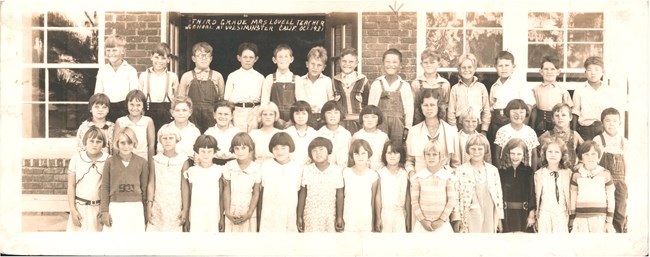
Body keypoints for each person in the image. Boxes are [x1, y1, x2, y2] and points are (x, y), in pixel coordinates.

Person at [451, 134, 503, 233]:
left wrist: (499, 217)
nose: (476, 152)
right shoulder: (461, 170)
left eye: (480, 149)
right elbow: (455, 196)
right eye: (473, 149)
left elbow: (498, 195)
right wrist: (456, 218)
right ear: (468, 150)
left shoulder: (493, 170)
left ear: (485, 150)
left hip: (489, 211)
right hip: (469, 212)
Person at [488, 51, 536, 158]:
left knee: (514, 148)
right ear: (496, 67)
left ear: (513, 67)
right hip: (497, 121)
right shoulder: (494, 86)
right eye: (500, 66)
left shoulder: (519, 83)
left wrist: (522, 123)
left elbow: (529, 104)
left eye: (507, 65)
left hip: (513, 120)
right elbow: (492, 105)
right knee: (499, 150)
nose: (503, 68)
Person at [100, 127, 149, 232]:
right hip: (115, 207)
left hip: (135, 207)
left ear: (134, 143)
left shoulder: (142, 162)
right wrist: (104, 211)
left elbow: (144, 188)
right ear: (117, 144)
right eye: (122, 143)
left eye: (130, 142)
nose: (126, 146)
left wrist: (145, 211)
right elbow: (105, 187)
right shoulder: (110, 162)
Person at [368, 48, 414, 147]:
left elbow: (409, 110)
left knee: (396, 150)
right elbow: (371, 108)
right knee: (380, 148)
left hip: (398, 126)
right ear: (383, 64)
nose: (391, 65)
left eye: (395, 62)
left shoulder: (405, 86)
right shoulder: (376, 84)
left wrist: (407, 127)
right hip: (380, 125)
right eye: (387, 62)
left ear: (400, 65)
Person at [297, 137, 344, 232]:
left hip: (330, 215)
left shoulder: (336, 170)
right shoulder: (307, 170)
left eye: (321, 149)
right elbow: (303, 194)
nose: (318, 153)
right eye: (314, 150)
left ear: (329, 151)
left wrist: (339, 216)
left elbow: (339, 195)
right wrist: (299, 216)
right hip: (310, 215)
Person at [145, 124, 187, 232]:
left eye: (171, 138)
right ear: (160, 140)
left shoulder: (183, 160)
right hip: (158, 204)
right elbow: (151, 183)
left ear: (176, 139)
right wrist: (149, 205)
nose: (168, 141)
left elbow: (184, 186)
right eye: (164, 138)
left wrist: (185, 209)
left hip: (175, 205)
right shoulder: (155, 160)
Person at [572, 56, 625, 141]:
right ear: (585, 72)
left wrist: (618, 133)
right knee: (587, 152)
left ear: (603, 72)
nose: (593, 73)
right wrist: (574, 133)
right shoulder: (579, 90)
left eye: (597, 70)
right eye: (589, 70)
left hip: (604, 129)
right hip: (585, 130)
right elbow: (575, 112)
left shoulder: (609, 90)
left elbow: (615, 113)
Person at [66, 127, 109, 232]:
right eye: (91, 141)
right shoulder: (76, 159)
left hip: (99, 209)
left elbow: (109, 187)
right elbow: (71, 186)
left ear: (103, 144)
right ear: (85, 142)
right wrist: (73, 210)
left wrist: (104, 210)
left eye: (98, 141)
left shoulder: (108, 159)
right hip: (80, 208)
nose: (95, 144)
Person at [177, 42, 225, 134]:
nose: (204, 59)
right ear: (193, 58)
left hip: (211, 115)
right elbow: (181, 99)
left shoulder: (217, 76)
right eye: (200, 56)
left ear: (211, 59)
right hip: (192, 116)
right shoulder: (186, 76)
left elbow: (221, 99)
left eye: (206, 56)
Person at [258, 132, 302, 232]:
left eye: (283, 148)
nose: (279, 152)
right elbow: (263, 189)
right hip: (270, 211)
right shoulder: (266, 165)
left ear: (290, 148)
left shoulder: (296, 167)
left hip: (288, 210)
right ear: (271, 150)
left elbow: (297, 189)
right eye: (276, 148)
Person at [405, 89, 457, 176]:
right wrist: (412, 175)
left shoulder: (451, 131)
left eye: (432, 105)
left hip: (444, 181)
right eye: (425, 105)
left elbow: (456, 164)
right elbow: (409, 161)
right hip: (420, 180)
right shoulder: (413, 131)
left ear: (439, 106)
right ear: (420, 107)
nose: (429, 108)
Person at [181, 135, 225, 232]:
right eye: (203, 151)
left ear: (215, 153)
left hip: (213, 213)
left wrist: (221, 217)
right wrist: (188, 218)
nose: (206, 155)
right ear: (197, 152)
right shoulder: (192, 171)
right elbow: (189, 196)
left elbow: (221, 196)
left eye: (209, 151)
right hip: (196, 213)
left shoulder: (219, 170)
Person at [569, 141, 615, 233]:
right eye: (586, 154)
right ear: (581, 157)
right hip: (580, 218)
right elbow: (572, 199)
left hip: (600, 218)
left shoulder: (605, 173)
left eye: (593, 154)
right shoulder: (576, 175)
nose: (590, 157)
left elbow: (611, 198)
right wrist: (572, 219)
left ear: (598, 156)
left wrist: (609, 221)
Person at [410, 140, 456, 233]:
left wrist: (441, 220)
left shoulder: (447, 177)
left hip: (442, 226)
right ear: (424, 156)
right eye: (428, 154)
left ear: (441, 156)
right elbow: (414, 202)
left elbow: (451, 201)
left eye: (434, 154)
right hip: (422, 226)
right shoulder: (418, 178)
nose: (431, 157)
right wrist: (422, 221)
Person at [594, 107, 628, 233]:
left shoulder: (624, 141)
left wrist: (626, 182)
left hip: (620, 183)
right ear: (602, 123)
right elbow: (594, 162)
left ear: (620, 124)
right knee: (604, 210)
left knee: (620, 211)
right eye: (607, 120)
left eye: (614, 121)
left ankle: (619, 235)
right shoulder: (598, 140)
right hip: (602, 183)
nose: (611, 123)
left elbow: (628, 164)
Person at [222, 132, 261, 232]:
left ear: (250, 148)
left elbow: (256, 192)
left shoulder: (256, 168)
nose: (240, 151)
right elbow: (227, 190)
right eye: (237, 148)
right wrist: (227, 211)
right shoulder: (229, 166)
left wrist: (249, 212)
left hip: (248, 210)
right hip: (232, 209)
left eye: (244, 148)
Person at [94, 35, 138, 122]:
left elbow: (134, 95)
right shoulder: (102, 71)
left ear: (122, 51)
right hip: (107, 109)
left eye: (114, 50)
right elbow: (98, 94)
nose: (111, 53)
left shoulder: (130, 70)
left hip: (124, 109)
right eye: (108, 50)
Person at [139, 42, 179, 139]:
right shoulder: (144, 76)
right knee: (149, 138)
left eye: (163, 58)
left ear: (168, 60)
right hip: (148, 110)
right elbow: (140, 97)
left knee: (164, 137)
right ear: (151, 57)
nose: (159, 61)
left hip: (165, 112)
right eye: (157, 57)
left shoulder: (172, 76)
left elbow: (177, 98)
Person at [224, 42, 265, 132]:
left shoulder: (260, 77)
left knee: (252, 139)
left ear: (256, 59)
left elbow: (264, 100)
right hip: (237, 112)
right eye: (245, 57)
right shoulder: (232, 76)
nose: (248, 60)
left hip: (255, 112)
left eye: (251, 57)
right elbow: (226, 100)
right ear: (239, 58)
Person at [533, 137, 572, 233]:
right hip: (544, 213)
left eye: (557, 152)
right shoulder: (539, 174)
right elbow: (536, 197)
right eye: (550, 151)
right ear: (544, 153)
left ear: (562, 155)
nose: (553, 155)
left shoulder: (568, 173)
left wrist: (571, 216)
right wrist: (536, 216)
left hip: (562, 213)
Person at [342, 139, 382, 232]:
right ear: (352, 155)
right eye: (356, 154)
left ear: (369, 154)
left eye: (363, 153)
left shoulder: (373, 175)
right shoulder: (346, 173)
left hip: (365, 219)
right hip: (348, 217)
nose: (360, 157)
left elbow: (373, 201)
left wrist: (375, 221)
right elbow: (341, 196)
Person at [498, 138, 536, 233]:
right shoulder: (501, 172)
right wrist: (499, 217)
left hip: (523, 214)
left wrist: (531, 215)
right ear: (507, 153)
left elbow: (531, 194)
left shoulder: (528, 172)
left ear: (524, 155)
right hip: (506, 214)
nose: (515, 157)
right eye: (512, 153)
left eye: (519, 154)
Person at [530, 55, 573, 136]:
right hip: (540, 123)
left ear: (558, 72)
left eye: (552, 69)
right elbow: (534, 110)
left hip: (558, 123)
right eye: (546, 69)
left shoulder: (562, 90)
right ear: (541, 72)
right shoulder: (536, 90)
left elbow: (568, 110)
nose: (549, 72)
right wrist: (532, 127)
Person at [447, 53, 490, 132]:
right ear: (459, 69)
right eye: (464, 68)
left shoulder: (481, 87)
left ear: (475, 68)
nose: (467, 70)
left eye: (470, 67)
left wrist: (484, 130)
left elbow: (486, 110)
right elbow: (451, 112)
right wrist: (454, 130)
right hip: (460, 126)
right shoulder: (455, 88)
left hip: (477, 125)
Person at [332, 48, 369, 135]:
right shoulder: (334, 80)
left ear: (356, 63)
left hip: (358, 122)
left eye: (351, 62)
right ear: (339, 62)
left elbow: (367, 102)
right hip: (341, 123)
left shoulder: (363, 80)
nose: (347, 64)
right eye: (344, 61)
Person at [493, 99, 540, 169]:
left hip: (525, 172)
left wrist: (532, 173)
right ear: (508, 113)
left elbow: (534, 155)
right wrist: (499, 171)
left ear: (526, 113)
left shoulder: (530, 132)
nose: (518, 115)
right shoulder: (502, 131)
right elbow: (497, 154)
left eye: (521, 112)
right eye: (514, 112)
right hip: (506, 171)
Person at [296, 46, 334, 128]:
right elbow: (299, 100)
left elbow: (330, 101)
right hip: (305, 117)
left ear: (323, 67)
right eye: (312, 64)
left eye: (319, 65)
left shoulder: (327, 80)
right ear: (307, 64)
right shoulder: (300, 80)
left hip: (323, 118)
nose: (315, 68)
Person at [411, 49, 451, 126]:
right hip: (420, 121)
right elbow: (413, 105)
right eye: (426, 62)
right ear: (421, 64)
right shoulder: (416, 83)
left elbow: (447, 105)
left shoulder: (444, 84)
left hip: (440, 122)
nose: (429, 65)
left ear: (438, 64)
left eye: (432, 62)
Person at [113, 90, 155, 162]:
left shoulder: (148, 121)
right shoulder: (120, 121)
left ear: (143, 106)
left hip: (143, 161)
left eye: (138, 105)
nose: (135, 108)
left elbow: (151, 146)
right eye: (132, 104)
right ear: (127, 105)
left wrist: (151, 170)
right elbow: (115, 146)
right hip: (124, 160)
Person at [538, 103, 584, 169]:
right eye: (557, 115)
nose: (560, 118)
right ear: (552, 119)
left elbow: (585, 150)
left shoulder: (575, 135)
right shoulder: (546, 135)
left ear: (570, 117)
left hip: (570, 172)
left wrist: (581, 163)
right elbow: (536, 151)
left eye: (563, 115)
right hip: (551, 171)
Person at [378, 141, 411, 232]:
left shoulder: (404, 174)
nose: (392, 156)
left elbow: (407, 197)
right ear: (384, 155)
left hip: (400, 215)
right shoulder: (380, 174)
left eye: (396, 153)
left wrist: (408, 217)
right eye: (389, 153)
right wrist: (377, 218)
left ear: (401, 155)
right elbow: (377, 198)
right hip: (384, 214)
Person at [261, 44, 298, 123]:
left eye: (286, 56)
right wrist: (276, 119)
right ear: (274, 60)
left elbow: (301, 103)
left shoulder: (297, 79)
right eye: (280, 57)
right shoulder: (269, 78)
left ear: (291, 59)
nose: (283, 59)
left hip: (293, 120)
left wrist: (293, 120)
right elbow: (265, 103)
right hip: (273, 119)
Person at [352, 105, 389, 170]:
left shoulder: (383, 137)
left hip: (381, 171)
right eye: (366, 117)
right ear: (362, 119)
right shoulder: (357, 136)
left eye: (373, 117)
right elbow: (352, 157)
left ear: (379, 119)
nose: (370, 120)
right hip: (361, 171)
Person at [204, 100, 241, 165]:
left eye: (226, 114)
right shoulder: (209, 133)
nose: (223, 117)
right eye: (220, 114)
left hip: (233, 164)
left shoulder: (237, 133)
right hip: (213, 164)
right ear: (214, 115)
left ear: (231, 116)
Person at [317, 100, 351, 168]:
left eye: (336, 113)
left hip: (344, 169)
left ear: (340, 114)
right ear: (324, 115)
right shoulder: (319, 134)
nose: (333, 116)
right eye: (329, 113)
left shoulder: (346, 134)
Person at [284, 101, 319, 167]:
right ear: (292, 115)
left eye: (304, 113)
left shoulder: (314, 134)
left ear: (308, 115)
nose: (300, 116)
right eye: (297, 113)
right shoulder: (287, 133)